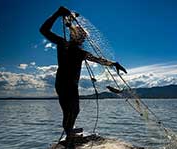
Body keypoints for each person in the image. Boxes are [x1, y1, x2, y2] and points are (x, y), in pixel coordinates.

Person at [40, 6, 126, 142]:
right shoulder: (63, 44)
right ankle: (69, 134)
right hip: (63, 83)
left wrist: (114, 64)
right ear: (73, 35)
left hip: (73, 86)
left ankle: (69, 131)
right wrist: (57, 14)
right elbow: (43, 30)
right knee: (68, 111)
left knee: (75, 110)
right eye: (81, 37)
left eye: (84, 38)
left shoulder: (81, 53)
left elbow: (99, 60)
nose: (83, 40)